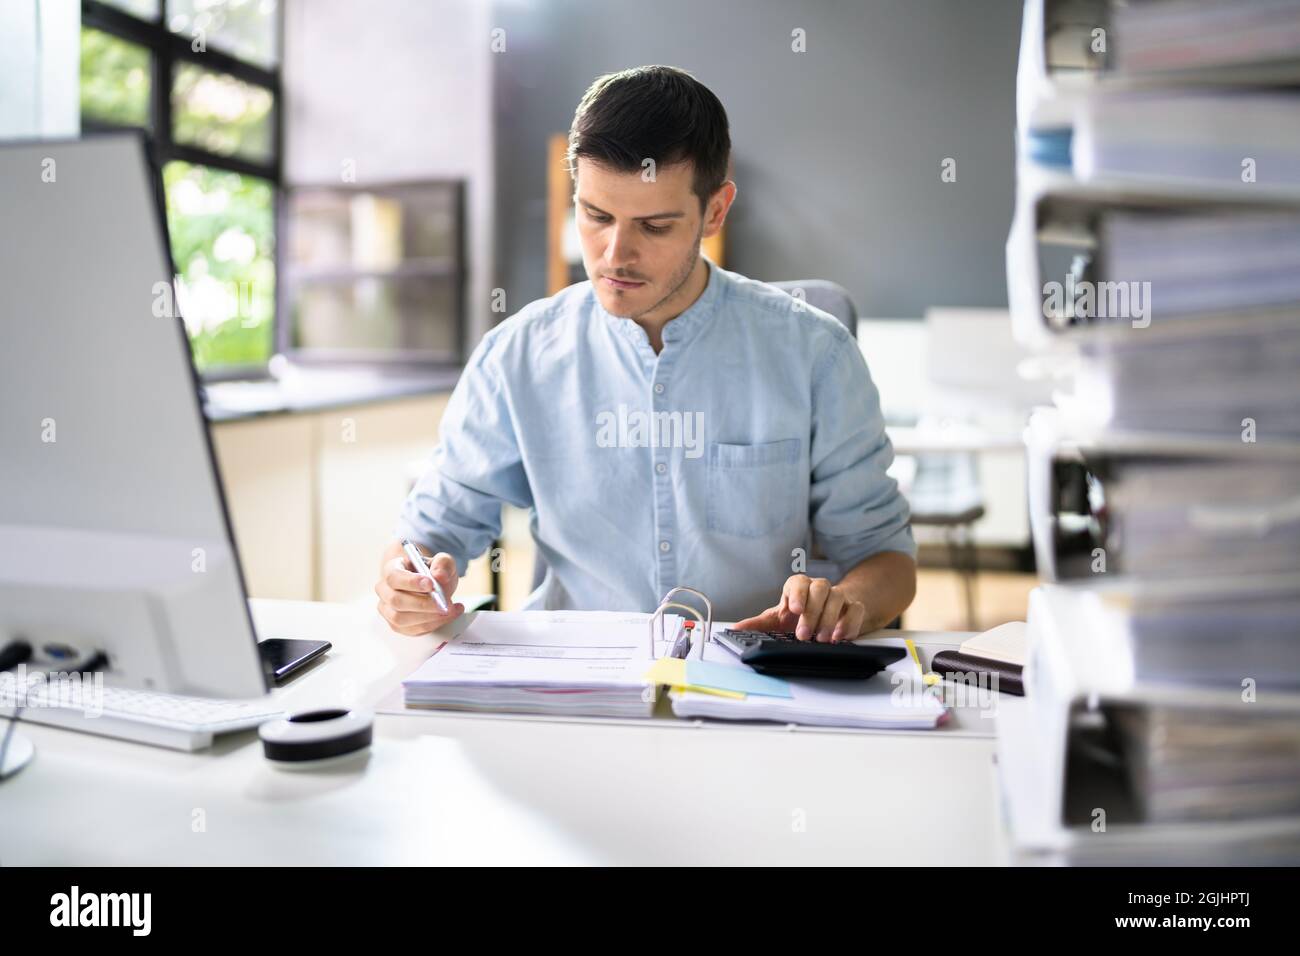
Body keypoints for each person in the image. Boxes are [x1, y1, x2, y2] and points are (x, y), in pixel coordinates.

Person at [377, 65, 915, 643]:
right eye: (596, 215)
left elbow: (887, 559)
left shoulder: (815, 355)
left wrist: (845, 602)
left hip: (753, 683)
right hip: (572, 681)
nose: (615, 255)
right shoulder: (517, 357)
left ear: (715, 210)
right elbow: (429, 533)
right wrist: (405, 583)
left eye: (654, 225)